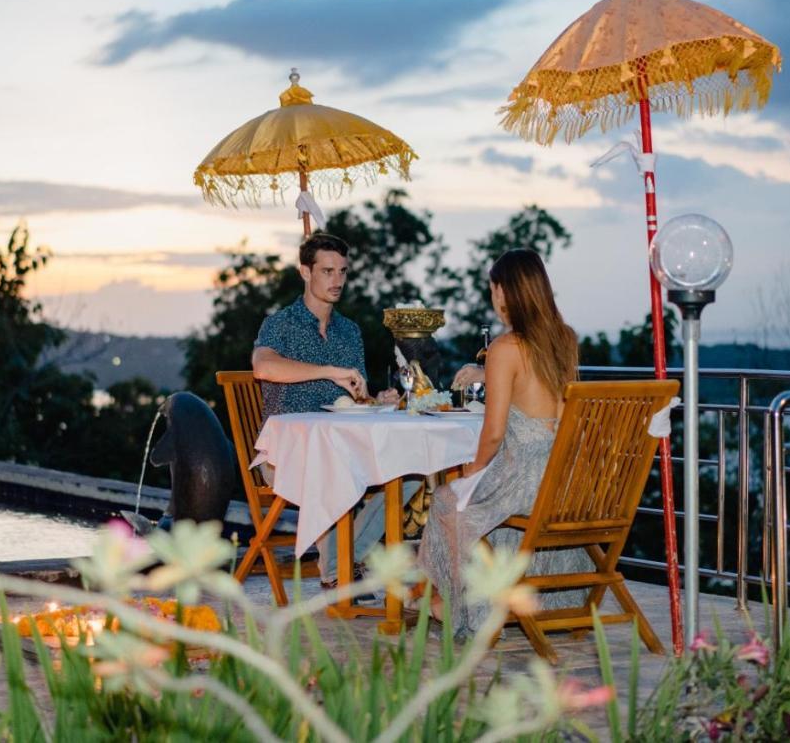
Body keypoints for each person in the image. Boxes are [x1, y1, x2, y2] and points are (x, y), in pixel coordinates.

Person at [417, 248, 591, 637]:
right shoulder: (564, 339)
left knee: (448, 500)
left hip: (526, 479)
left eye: (493, 289)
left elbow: (493, 432)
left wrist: (472, 473)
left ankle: (457, 605)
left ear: (503, 292)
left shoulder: (504, 348)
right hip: (565, 477)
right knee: (482, 502)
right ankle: (516, 596)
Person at [252, 232, 409, 590]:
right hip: (286, 454)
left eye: (342, 271)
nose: (337, 280)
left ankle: (343, 560)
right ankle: (339, 571)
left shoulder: (349, 332)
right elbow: (264, 367)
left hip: (345, 448)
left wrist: (377, 400)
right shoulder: (280, 325)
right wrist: (327, 371)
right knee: (329, 465)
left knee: (411, 472)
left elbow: (358, 398)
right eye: (327, 271)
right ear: (305, 272)